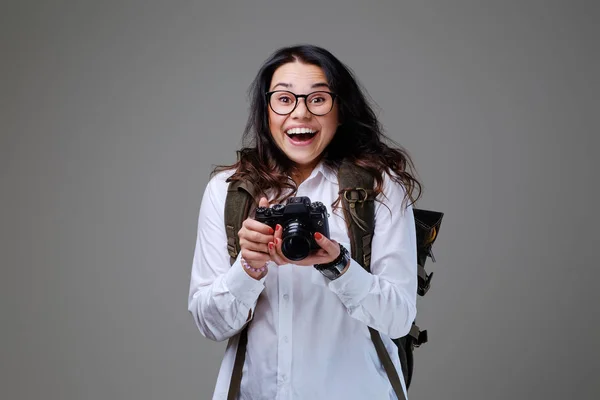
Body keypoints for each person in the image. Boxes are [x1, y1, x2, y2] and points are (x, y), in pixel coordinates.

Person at [187, 44, 422, 400]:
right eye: (284, 99)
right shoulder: (228, 191)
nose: (300, 113)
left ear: (339, 109)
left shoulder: (378, 187)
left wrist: (338, 264)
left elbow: (399, 319)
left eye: (317, 99)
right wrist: (247, 269)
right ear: (266, 110)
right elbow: (210, 324)